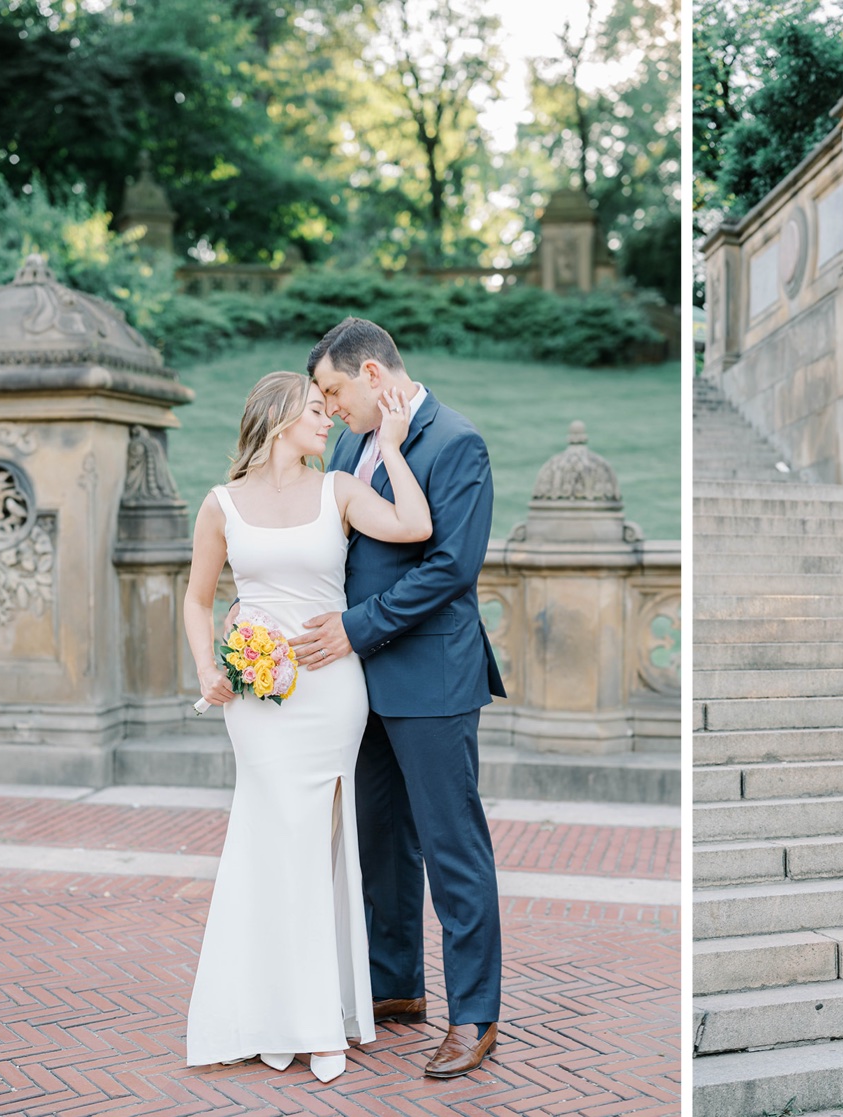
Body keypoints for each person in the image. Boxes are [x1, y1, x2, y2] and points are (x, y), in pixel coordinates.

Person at [183, 371, 432, 1082]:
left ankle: (320, 1019)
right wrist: (207, 667)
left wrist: (390, 447)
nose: (329, 421)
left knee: (317, 845)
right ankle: (263, 1013)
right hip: (257, 701)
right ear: (278, 418)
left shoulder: (341, 491)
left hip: (329, 691)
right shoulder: (221, 504)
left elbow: (415, 526)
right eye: (317, 412)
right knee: (271, 843)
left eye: (330, 411)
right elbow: (199, 601)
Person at [290, 317, 508, 1079]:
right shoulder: (349, 445)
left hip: (434, 679)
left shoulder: (456, 443)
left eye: (333, 389)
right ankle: (396, 986)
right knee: (380, 842)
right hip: (360, 684)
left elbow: (450, 566)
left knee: (453, 848)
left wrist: (354, 628)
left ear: (375, 374)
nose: (328, 406)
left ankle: (474, 1013)